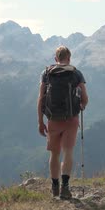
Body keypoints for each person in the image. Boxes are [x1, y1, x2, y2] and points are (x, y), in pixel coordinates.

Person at [38, 46, 88, 199]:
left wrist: (40, 121)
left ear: (55, 59)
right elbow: (85, 99)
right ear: (69, 58)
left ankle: (54, 186)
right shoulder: (76, 73)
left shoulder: (46, 74)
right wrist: (81, 105)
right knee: (68, 152)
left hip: (53, 119)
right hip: (71, 119)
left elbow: (41, 99)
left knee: (54, 153)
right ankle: (65, 187)